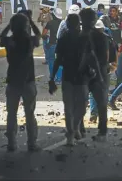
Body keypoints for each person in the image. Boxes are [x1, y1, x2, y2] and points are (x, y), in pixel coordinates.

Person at [0, 10, 41, 152]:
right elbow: (38, 35)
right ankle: (32, 143)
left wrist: (9, 26)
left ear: (13, 26)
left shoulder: (9, 41)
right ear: (26, 26)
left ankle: (12, 143)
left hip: (12, 81)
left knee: (11, 113)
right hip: (28, 81)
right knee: (30, 113)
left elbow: (2, 35)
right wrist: (31, 20)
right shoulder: (30, 41)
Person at [49, 14, 87, 146]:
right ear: (78, 24)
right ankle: (72, 130)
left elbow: (57, 60)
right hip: (78, 77)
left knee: (70, 107)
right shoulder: (80, 38)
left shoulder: (66, 38)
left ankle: (73, 129)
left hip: (71, 76)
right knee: (79, 107)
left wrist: (52, 77)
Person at [79, 8, 110, 141]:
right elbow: (104, 58)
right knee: (101, 103)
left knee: (80, 103)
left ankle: (80, 129)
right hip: (98, 74)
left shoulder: (78, 36)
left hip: (83, 74)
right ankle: (102, 131)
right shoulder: (102, 36)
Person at [43, 8, 63, 83]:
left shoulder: (50, 23)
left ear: (53, 15)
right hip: (61, 46)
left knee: (51, 61)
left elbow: (43, 34)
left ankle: (53, 77)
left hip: (52, 44)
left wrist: (47, 38)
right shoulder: (64, 23)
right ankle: (59, 79)